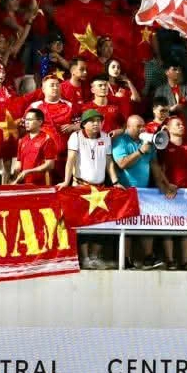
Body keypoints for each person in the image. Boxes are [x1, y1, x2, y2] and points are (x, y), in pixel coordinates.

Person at [60, 109, 118, 270]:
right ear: (84, 124)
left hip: (100, 188)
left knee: (101, 224)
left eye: (99, 121)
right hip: (81, 186)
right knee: (82, 223)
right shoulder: (76, 136)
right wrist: (66, 181)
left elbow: (109, 161)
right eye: (92, 121)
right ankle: (85, 258)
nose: (96, 124)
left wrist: (115, 181)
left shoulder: (105, 137)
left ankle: (95, 257)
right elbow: (71, 159)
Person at [112, 115, 163, 269]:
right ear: (128, 127)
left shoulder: (147, 141)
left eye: (143, 125)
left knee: (147, 223)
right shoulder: (120, 141)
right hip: (125, 191)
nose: (142, 129)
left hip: (144, 192)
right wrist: (140, 151)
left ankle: (149, 257)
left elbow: (154, 165)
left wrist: (164, 185)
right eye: (138, 126)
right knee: (126, 226)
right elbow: (122, 164)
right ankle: (126, 259)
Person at [155, 116, 187, 270]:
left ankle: (185, 261)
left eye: (182, 124)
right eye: (178, 124)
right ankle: (170, 260)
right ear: (168, 128)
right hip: (170, 192)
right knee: (168, 226)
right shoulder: (163, 146)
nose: (182, 126)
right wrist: (166, 186)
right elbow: (160, 168)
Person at [12, 108, 57, 185]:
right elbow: (19, 163)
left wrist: (29, 171)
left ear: (40, 122)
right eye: (26, 120)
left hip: (41, 184)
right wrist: (15, 175)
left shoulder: (47, 139)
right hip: (24, 184)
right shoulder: (22, 140)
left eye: (30, 120)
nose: (26, 122)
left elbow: (50, 165)